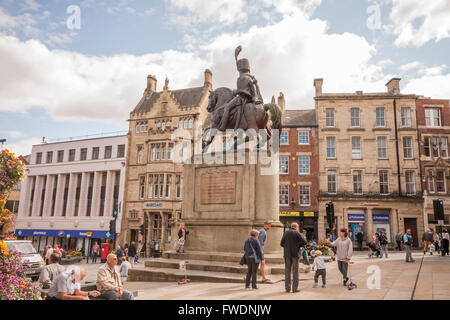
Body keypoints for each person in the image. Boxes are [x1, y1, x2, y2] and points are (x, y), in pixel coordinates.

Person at [280, 222, 307, 293]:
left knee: (287, 270)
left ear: (291, 226)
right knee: (295, 271)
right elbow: (304, 242)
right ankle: (295, 289)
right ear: (297, 227)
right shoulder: (297, 233)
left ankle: (287, 288)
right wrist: (298, 245)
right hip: (295, 254)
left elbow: (281, 243)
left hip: (287, 254)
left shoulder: (285, 233)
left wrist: (287, 247)